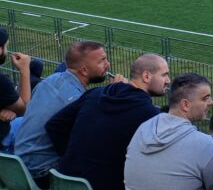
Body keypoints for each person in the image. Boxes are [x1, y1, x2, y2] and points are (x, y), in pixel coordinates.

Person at [46, 53, 171, 190]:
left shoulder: (94, 94)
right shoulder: (150, 115)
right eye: (164, 75)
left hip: (64, 181)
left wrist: (74, 157)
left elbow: (55, 126)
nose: (168, 80)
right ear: (146, 76)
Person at [16, 41, 114, 188]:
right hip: (42, 172)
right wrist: (117, 94)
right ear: (84, 70)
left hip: (19, 165)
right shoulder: (75, 99)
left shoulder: (50, 80)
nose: (108, 64)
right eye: (102, 61)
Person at [125, 73, 213, 190]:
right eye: (205, 98)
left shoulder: (144, 128)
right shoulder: (203, 143)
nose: (211, 102)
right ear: (185, 105)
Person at [0, 27, 31, 147]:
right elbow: (24, 107)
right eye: (6, 46)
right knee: (33, 123)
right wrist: (24, 70)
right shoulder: (2, 82)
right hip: (2, 140)